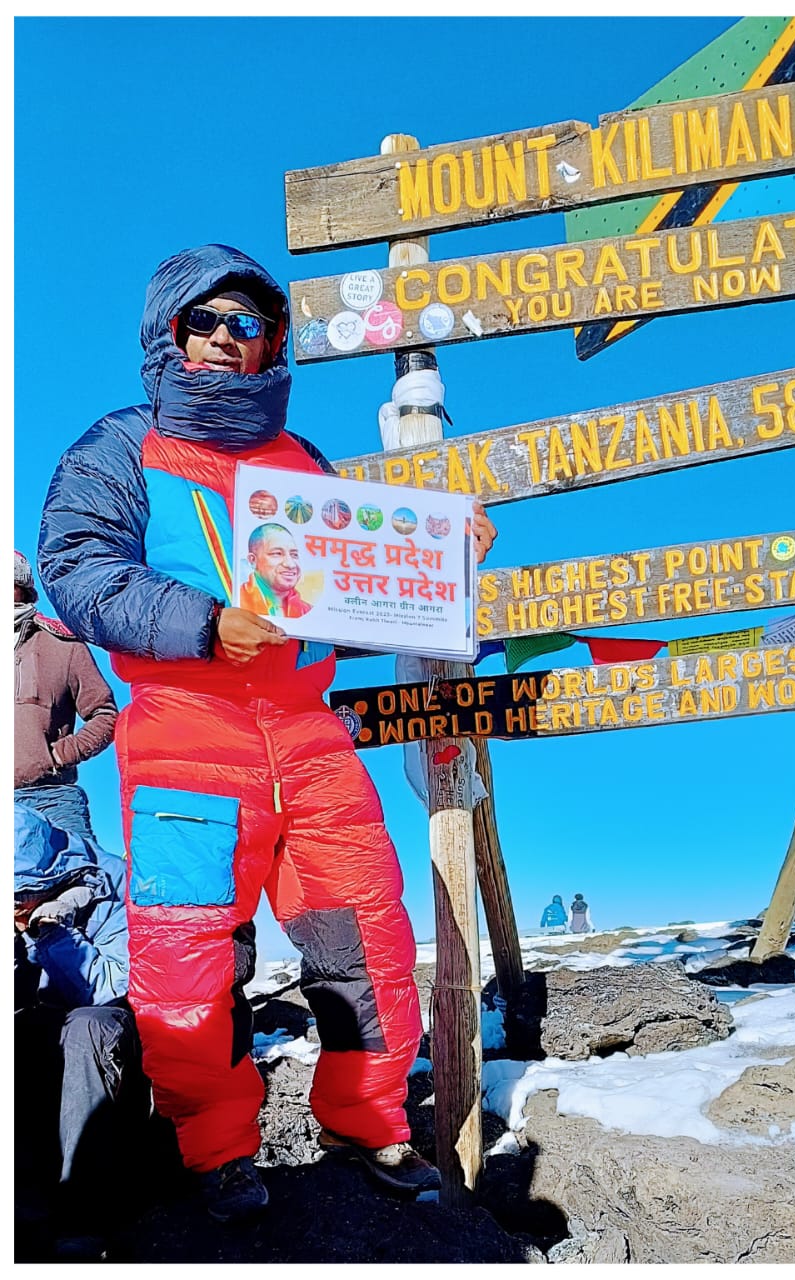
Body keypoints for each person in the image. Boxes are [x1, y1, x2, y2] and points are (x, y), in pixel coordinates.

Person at [38, 244, 498, 1223]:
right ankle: (213, 1149)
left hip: (310, 738)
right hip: (184, 740)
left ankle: (367, 1119)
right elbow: (76, 567)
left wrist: (442, 560)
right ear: (167, 334)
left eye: (244, 323)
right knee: (188, 958)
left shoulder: (299, 466)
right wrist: (204, 624)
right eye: (201, 321)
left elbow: (366, 591)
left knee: (367, 936)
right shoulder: (116, 448)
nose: (221, 337)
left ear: (270, 342)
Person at [14, 802, 150, 1260]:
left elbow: (112, 988)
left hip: (116, 1030)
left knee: (86, 1027)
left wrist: (50, 934)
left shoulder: (115, 883)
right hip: (44, 1021)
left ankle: (85, 1213)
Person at [14, 550, 117, 844]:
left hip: (50, 800)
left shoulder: (63, 645)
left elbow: (106, 715)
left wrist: (58, 756)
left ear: (19, 588)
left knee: (83, 884)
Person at [240, 522, 311, 618]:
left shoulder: (308, 612)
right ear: (253, 560)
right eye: (277, 553)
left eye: (294, 555)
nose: (290, 564)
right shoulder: (237, 602)